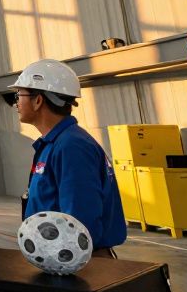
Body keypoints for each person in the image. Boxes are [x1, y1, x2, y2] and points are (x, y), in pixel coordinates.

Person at [7, 59, 126, 255]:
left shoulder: (72, 147)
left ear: (38, 101)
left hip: (77, 262)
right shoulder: (56, 143)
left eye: (19, 94)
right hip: (61, 258)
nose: (16, 102)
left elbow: (81, 222)